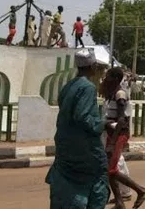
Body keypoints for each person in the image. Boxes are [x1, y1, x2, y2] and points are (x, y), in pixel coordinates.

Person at [45, 48, 110, 209]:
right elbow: (84, 118)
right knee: (98, 184)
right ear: (93, 67)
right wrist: (104, 124)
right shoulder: (88, 87)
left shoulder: (68, 86)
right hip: (85, 152)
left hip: (65, 149)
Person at [102, 67, 145, 208]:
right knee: (109, 169)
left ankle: (141, 191)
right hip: (111, 134)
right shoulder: (111, 93)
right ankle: (119, 201)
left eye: (108, 76)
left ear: (116, 79)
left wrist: (112, 142)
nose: (105, 79)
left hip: (118, 134)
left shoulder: (120, 94)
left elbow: (122, 119)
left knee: (111, 169)